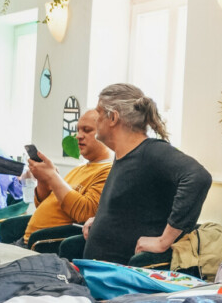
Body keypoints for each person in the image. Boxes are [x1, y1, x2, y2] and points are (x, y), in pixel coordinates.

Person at [78, 84, 212, 265]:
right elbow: (134, 207)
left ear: (113, 118)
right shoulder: (123, 156)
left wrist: (164, 241)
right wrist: (100, 221)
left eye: (99, 114)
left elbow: (198, 177)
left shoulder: (152, 152)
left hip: (122, 281)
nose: (96, 121)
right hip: (98, 274)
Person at [21, 110, 113, 244]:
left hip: (46, 248)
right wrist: (43, 180)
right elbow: (44, 205)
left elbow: (85, 214)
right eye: (78, 130)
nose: (78, 136)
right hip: (27, 241)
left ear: (105, 134)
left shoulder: (107, 171)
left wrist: (52, 177)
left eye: (87, 130)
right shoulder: (78, 170)